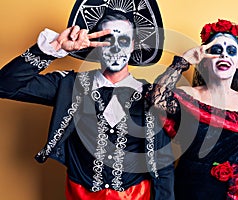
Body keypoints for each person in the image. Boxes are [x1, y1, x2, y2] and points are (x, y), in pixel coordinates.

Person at [0, 0, 175, 199]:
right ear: (95, 44)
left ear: (134, 44)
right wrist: (53, 48)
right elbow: (5, 86)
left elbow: (163, 167)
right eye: (107, 40)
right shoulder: (70, 85)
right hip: (80, 194)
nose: (116, 48)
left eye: (124, 40)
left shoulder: (151, 95)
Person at [148, 19, 238, 199]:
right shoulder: (188, 95)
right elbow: (156, 99)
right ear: (204, 62)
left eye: (231, 51)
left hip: (230, 191)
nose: (224, 56)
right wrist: (184, 61)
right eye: (216, 51)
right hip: (187, 189)